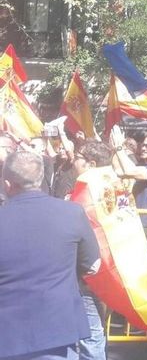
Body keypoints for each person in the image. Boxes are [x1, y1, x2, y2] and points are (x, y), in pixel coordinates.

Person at [0, 151, 101, 360]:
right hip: (58, 328)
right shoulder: (72, 213)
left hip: (7, 332)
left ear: (8, 184)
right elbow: (92, 265)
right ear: (39, 179)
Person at [71, 139, 115, 360]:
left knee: (90, 335)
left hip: (88, 273)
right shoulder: (113, 187)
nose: (73, 160)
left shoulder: (89, 195)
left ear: (91, 163)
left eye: (78, 157)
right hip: (101, 271)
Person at [108, 128, 147, 240]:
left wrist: (119, 148)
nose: (143, 148)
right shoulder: (143, 166)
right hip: (135, 221)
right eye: (143, 145)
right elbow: (119, 171)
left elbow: (128, 171)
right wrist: (115, 150)